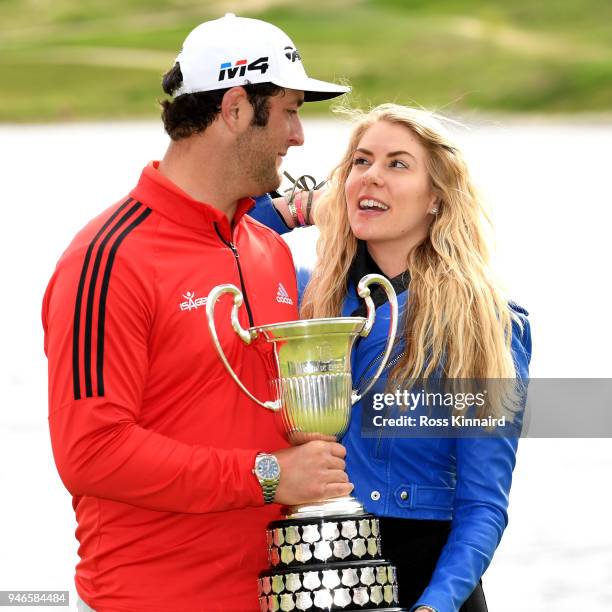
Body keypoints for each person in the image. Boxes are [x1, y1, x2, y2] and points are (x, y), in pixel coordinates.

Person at [42, 14, 353, 612]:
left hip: (274, 597)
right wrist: (269, 475)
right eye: (290, 111)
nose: (299, 136)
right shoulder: (105, 259)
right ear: (235, 109)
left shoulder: (265, 251)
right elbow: (91, 453)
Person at [250, 103, 532, 612]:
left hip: (430, 580)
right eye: (361, 162)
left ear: (436, 199)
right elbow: (218, 234)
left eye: (397, 164)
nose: (371, 177)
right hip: (318, 569)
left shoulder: (489, 320)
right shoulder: (306, 297)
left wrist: (435, 605)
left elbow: (483, 503)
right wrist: (297, 208)